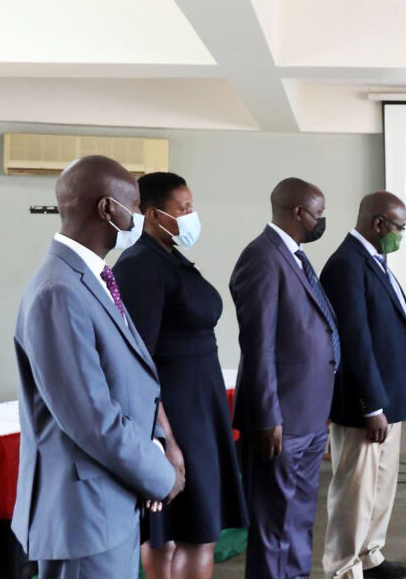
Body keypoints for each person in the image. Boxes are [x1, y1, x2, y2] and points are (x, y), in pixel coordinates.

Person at [13, 155, 185, 579]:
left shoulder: (92, 278)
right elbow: (90, 417)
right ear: (108, 209)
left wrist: (157, 443)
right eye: (134, 205)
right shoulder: (59, 290)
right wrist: (159, 472)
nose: (139, 217)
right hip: (83, 518)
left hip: (109, 504)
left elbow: (128, 379)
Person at [113, 172, 248, 579]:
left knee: (186, 530)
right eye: (184, 209)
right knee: (183, 532)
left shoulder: (167, 255)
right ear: (153, 214)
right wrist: (164, 439)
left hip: (199, 410)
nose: (192, 216)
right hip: (177, 415)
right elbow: (137, 361)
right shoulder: (141, 264)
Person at [230, 177, 340, 578]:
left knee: (298, 518)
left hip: (308, 414)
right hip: (280, 419)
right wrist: (267, 415)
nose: (322, 220)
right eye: (319, 213)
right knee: (274, 522)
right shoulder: (261, 257)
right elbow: (258, 344)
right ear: (298, 212)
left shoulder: (293, 255)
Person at [320, 191, 406, 579]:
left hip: (388, 400)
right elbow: (355, 341)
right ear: (379, 224)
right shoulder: (347, 265)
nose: (402, 235)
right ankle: (344, 569)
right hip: (366, 407)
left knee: (380, 488)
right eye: (400, 228)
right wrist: (371, 406)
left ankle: (370, 556)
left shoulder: (373, 260)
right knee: (355, 494)